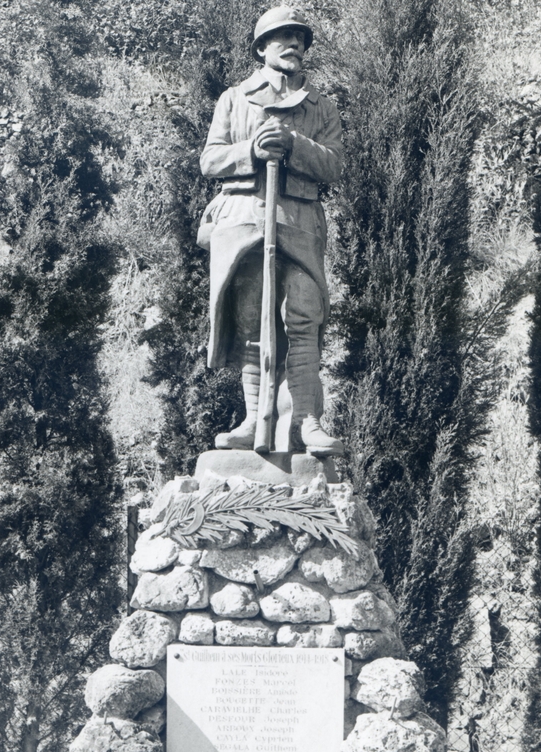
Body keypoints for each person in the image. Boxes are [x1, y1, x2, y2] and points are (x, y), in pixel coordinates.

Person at [198, 6, 344, 456]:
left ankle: (306, 422)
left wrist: (295, 145)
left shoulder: (321, 108)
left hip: (299, 223)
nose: (294, 45)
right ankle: (251, 419)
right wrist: (252, 150)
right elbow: (210, 161)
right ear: (262, 47)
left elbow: (335, 165)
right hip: (243, 222)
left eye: (299, 38)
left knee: (303, 316)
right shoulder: (234, 99)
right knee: (251, 322)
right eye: (283, 37)